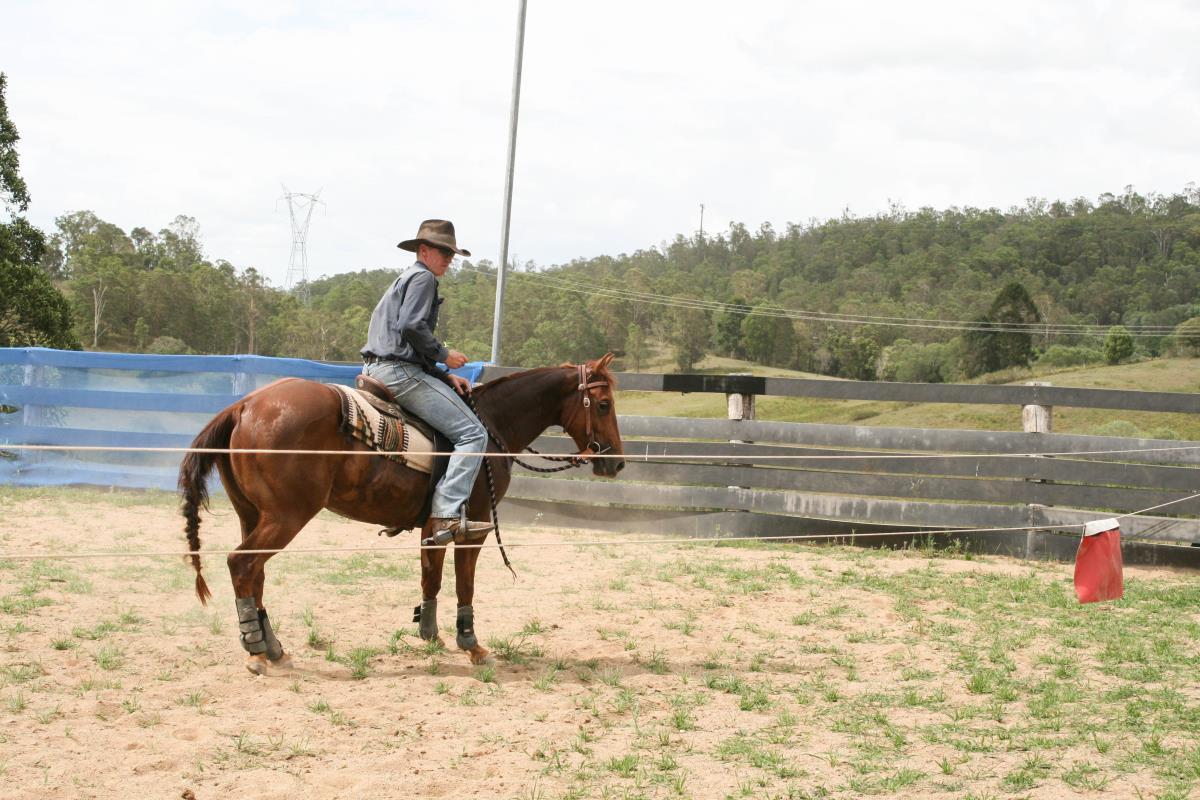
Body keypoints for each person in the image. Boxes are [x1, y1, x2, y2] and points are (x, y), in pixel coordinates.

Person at [361, 219, 492, 543]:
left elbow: (403, 343)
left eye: (451, 254)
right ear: (424, 251)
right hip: (399, 374)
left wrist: (443, 375)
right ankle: (446, 516)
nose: (449, 259)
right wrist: (444, 354)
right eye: (444, 252)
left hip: (376, 370)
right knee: (473, 434)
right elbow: (411, 327)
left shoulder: (404, 279)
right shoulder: (424, 279)